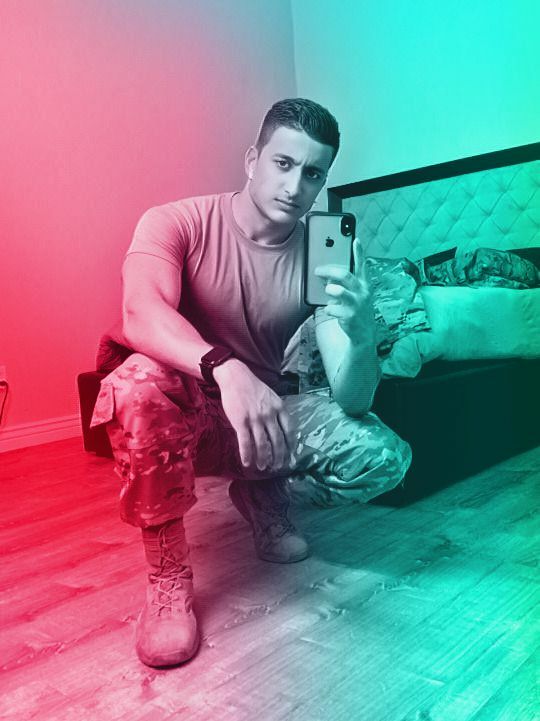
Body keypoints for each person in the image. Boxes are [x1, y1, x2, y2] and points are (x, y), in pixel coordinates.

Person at [90, 98, 411, 668]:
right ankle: (167, 577)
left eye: (313, 174)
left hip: (265, 418)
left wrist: (362, 335)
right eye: (283, 163)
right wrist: (224, 366)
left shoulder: (322, 252)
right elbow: (141, 313)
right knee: (136, 383)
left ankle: (266, 493)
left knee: (383, 456)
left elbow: (352, 397)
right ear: (252, 159)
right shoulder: (176, 222)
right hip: (190, 413)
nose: (295, 185)